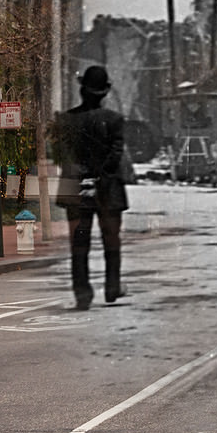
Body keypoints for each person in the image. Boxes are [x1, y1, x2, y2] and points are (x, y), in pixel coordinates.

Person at [55, 65, 129, 310]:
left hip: (75, 187)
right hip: (108, 188)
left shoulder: (65, 121)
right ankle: (112, 286)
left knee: (79, 244)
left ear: (82, 90)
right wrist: (98, 176)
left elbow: (60, 156)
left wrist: (82, 175)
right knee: (111, 240)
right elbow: (116, 155)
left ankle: (82, 294)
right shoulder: (115, 120)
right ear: (104, 92)